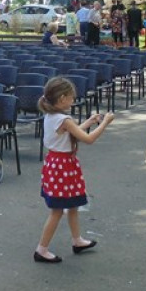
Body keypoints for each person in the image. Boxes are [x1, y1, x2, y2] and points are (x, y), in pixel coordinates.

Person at [34, 77, 115, 264]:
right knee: (57, 210)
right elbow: (88, 139)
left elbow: (70, 133)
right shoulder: (64, 119)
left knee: (72, 205)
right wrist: (105, 123)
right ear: (62, 98)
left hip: (57, 164)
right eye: (71, 97)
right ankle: (41, 250)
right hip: (63, 167)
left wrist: (89, 121)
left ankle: (77, 240)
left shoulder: (51, 115)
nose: (73, 100)